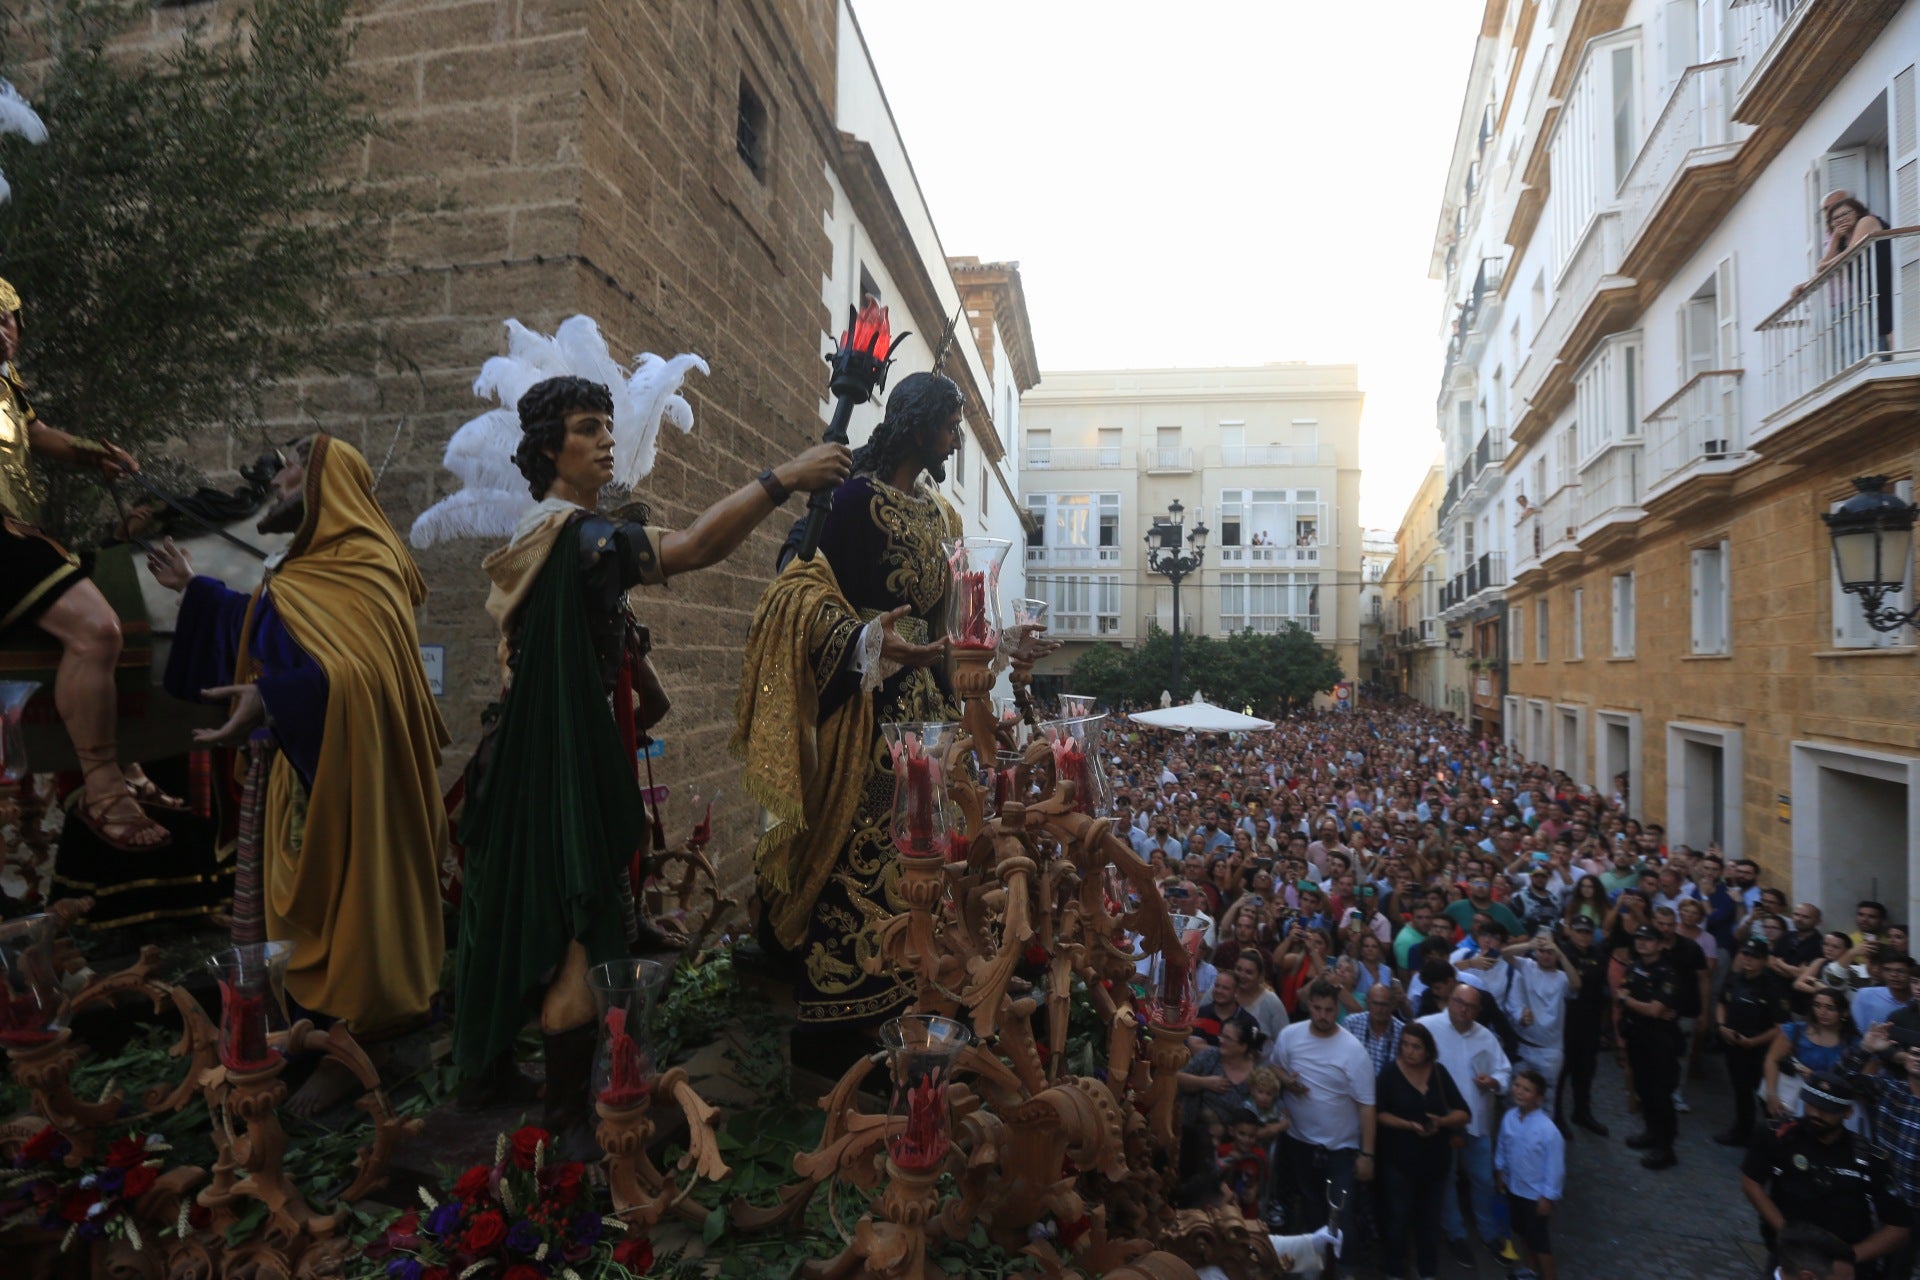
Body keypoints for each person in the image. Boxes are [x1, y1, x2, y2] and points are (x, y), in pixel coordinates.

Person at [448, 374, 850, 1149]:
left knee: (519, 919)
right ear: (545, 449)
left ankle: (493, 1080)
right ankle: (566, 1122)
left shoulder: (555, 537)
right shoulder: (579, 537)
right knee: (579, 926)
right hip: (557, 770)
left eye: (607, 424)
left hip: (536, 758)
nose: (605, 438)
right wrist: (784, 479)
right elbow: (695, 547)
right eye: (585, 427)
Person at [154, 434, 448, 1113]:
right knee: (304, 914)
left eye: (289, 469)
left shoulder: (367, 564)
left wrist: (275, 698)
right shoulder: (307, 570)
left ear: (327, 485)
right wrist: (198, 593)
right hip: (303, 769)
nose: (276, 482)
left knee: (357, 911)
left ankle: (365, 1045)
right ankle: (316, 1032)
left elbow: (364, 678)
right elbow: (273, 631)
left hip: (359, 777)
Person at [738, 372, 1032, 1046]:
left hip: (928, 719)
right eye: (951, 426)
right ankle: (846, 1005)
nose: (957, 440)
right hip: (863, 710)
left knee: (925, 852)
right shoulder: (847, 500)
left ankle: (919, 978)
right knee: (859, 852)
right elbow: (793, 587)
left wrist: (1004, 642)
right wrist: (866, 638)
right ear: (920, 426)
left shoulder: (945, 518)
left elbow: (961, 621)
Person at [0, 276, 170, 851]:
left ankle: (120, 767)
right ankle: (102, 786)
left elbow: (36, 433)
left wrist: (92, 451)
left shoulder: (9, 386)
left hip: (19, 532)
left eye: (8, 318)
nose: (3, 330)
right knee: (98, 632)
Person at [1742, 1073, 1911, 1278]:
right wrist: (1786, 1232)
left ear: (1847, 1113)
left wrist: (1850, 1257)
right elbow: (1751, 1181)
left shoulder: (1869, 1158)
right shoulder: (1777, 1136)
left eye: (1827, 1110)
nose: (1816, 1113)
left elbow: (1899, 1225)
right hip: (1791, 1259)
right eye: (1811, 1104)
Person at [1270, 979, 1376, 1252]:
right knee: (1310, 1207)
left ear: (1337, 1008)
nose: (1323, 1016)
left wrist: (1367, 1155)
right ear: (1309, 1006)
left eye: (1329, 1010)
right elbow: (1276, 1068)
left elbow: (1367, 1105)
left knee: (1342, 1215)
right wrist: (1288, 1081)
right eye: (1317, 1009)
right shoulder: (1290, 1035)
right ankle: (1315, 1264)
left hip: (1340, 1149)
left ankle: (1346, 1267)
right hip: (1299, 1142)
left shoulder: (1353, 1050)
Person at [1418, 983, 1516, 1267]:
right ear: (1449, 1000)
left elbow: (1505, 1070)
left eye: (1470, 1006)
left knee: (1483, 1179)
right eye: (1459, 1002)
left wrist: (1495, 1082)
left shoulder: (1486, 1037)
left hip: (1477, 1123)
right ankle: (1456, 1233)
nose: (1463, 1009)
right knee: (1446, 1179)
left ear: (1478, 1010)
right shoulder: (1427, 1027)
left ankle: (1489, 1232)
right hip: (1444, 1123)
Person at [1374, 1019, 1469, 1280]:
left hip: (1435, 1165)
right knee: (1398, 1219)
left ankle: (1428, 1271)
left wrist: (1443, 1122)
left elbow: (1463, 1112)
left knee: (1429, 1223)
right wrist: (1408, 1125)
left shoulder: (1438, 1073)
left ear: (1428, 1050)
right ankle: (1396, 1269)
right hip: (1399, 1163)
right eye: (1405, 1045)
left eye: (1415, 1046)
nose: (1409, 1051)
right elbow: (1378, 1113)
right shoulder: (1390, 1074)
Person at [1841, 1022, 1920, 1280]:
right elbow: (1839, 1083)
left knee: (1896, 1272)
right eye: (1916, 1053)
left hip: (1913, 1212)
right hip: (1876, 1199)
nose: (1918, 1059)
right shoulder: (1891, 1089)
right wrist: (1865, 1048)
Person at [1619, 923, 1684, 1169]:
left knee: (1660, 1094)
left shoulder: (1667, 973)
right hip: (1637, 1037)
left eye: (1648, 939)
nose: (1642, 942)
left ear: (1659, 944)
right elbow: (1621, 991)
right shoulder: (1634, 966)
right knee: (1644, 1090)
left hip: (1660, 1041)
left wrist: (1629, 1001)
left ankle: (1666, 1148)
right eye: (1639, 938)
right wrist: (1635, 1003)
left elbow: (1655, 1010)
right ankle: (1650, 1132)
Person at [1718, 936, 1791, 1146]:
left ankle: (1777, 1139)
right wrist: (1722, 1026)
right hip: (1735, 1045)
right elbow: (1722, 1002)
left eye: (1755, 957)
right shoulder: (1734, 978)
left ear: (1765, 960)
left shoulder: (1774, 987)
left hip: (1762, 1051)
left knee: (1766, 1096)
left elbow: (1781, 1026)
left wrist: (1755, 1041)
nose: (1748, 960)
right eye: (1746, 955)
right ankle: (1742, 1131)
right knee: (1741, 1091)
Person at [1495, 1067, 1565, 1280]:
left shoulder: (1548, 1131)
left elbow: (1555, 1167)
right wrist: (1500, 1170)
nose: (1519, 1091)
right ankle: (1530, 1270)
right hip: (1514, 1187)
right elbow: (1502, 1146)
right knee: (1523, 1233)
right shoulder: (1509, 1118)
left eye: (1527, 1089)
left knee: (1540, 1242)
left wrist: (1548, 1196)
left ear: (1539, 1098)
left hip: (1535, 1195)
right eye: (1517, 1086)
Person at [1766, 988, 1859, 1123]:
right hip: (1792, 1100)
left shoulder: (1854, 1044)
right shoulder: (1796, 1030)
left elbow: (1861, 1083)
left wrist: (1817, 1078)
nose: (1822, 1012)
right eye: (1817, 1006)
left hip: (1832, 1109)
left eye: (1830, 1008)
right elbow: (1772, 1059)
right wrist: (1771, 1094)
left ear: (1843, 1012)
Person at [1342, 981, 1404, 1075]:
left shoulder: (1401, 1031)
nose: (1379, 1009)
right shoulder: (1352, 1023)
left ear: (1392, 1005)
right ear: (1367, 1003)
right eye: (1375, 1004)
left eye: (1384, 1005)